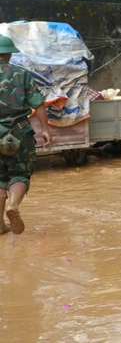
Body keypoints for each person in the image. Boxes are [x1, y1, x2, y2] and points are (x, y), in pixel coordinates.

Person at [0, 34, 52, 235]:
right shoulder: (22, 74)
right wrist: (46, 130)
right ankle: (13, 206)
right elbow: (38, 104)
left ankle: (0, 225)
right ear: (10, 54)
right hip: (19, 133)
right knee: (19, 174)